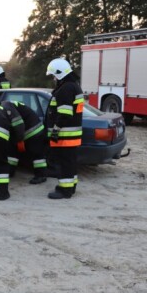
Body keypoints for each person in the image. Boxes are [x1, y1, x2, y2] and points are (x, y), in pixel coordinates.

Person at [45, 58, 84, 199]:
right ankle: (71, 186)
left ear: (59, 73)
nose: (53, 78)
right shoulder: (74, 86)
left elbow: (64, 113)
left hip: (64, 135)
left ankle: (64, 190)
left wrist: (55, 129)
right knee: (70, 162)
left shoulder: (65, 89)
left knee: (63, 162)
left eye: (54, 75)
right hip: (73, 134)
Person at [1, 100, 48, 184]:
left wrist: (19, 140)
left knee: (37, 155)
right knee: (12, 150)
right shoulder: (4, 106)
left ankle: (41, 176)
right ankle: (10, 171)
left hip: (34, 130)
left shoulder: (5, 106)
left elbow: (19, 124)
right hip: (27, 130)